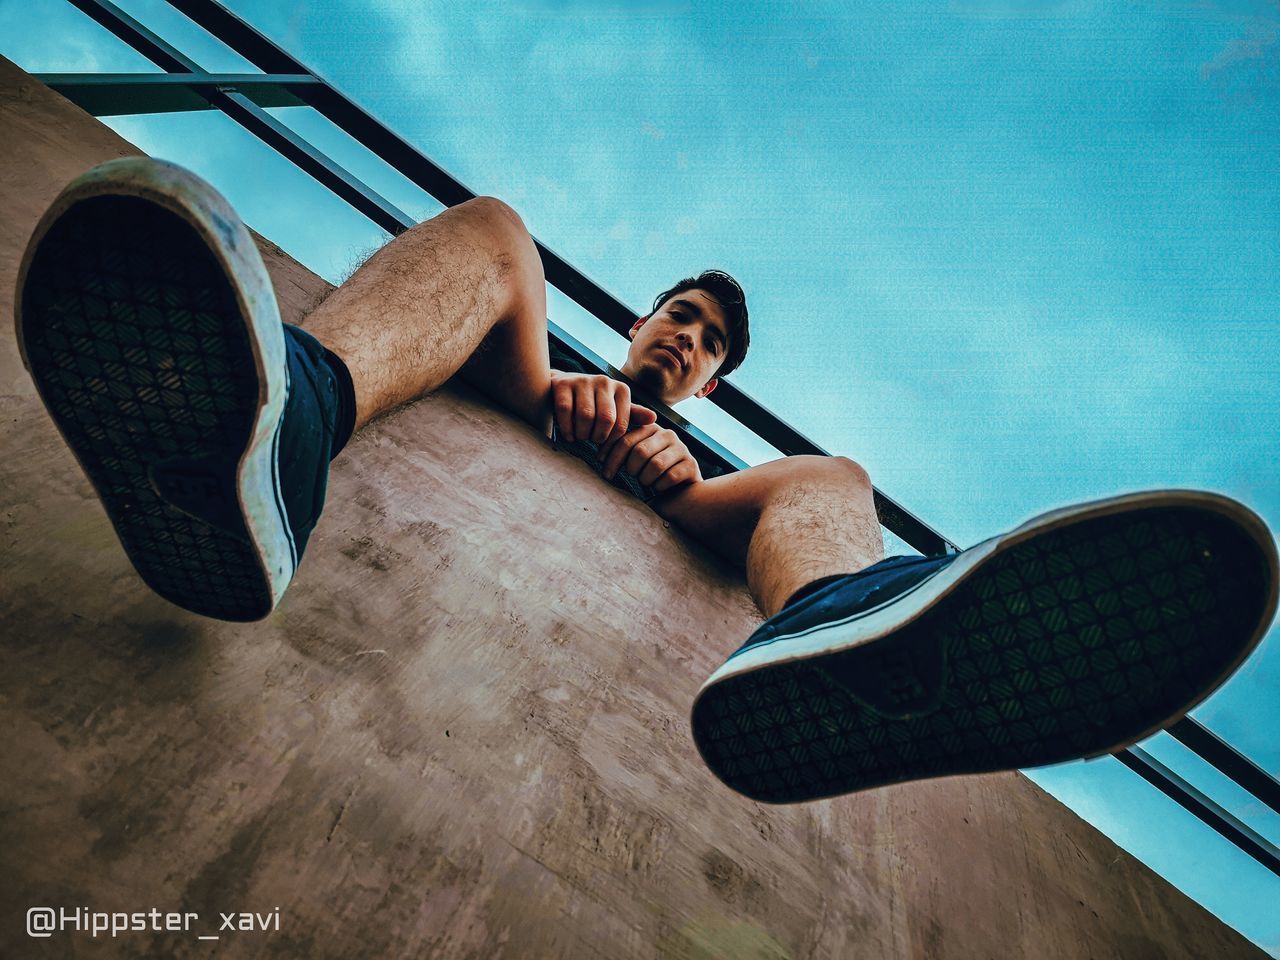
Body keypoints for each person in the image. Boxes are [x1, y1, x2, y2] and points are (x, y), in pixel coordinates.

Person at [16, 158, 1278, 804]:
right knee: (498, 229)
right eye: (675, 316)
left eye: (708, 342)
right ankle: (276, 441)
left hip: (697, 505)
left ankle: (847, 625)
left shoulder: (712, 455)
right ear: (637, 325)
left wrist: (669, 475)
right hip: (513, 376)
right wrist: (556, 394)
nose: (685, 337)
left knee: (833, 474)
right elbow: (494, 309)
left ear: (714, 384)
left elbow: (741, 493)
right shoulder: (552, 346)